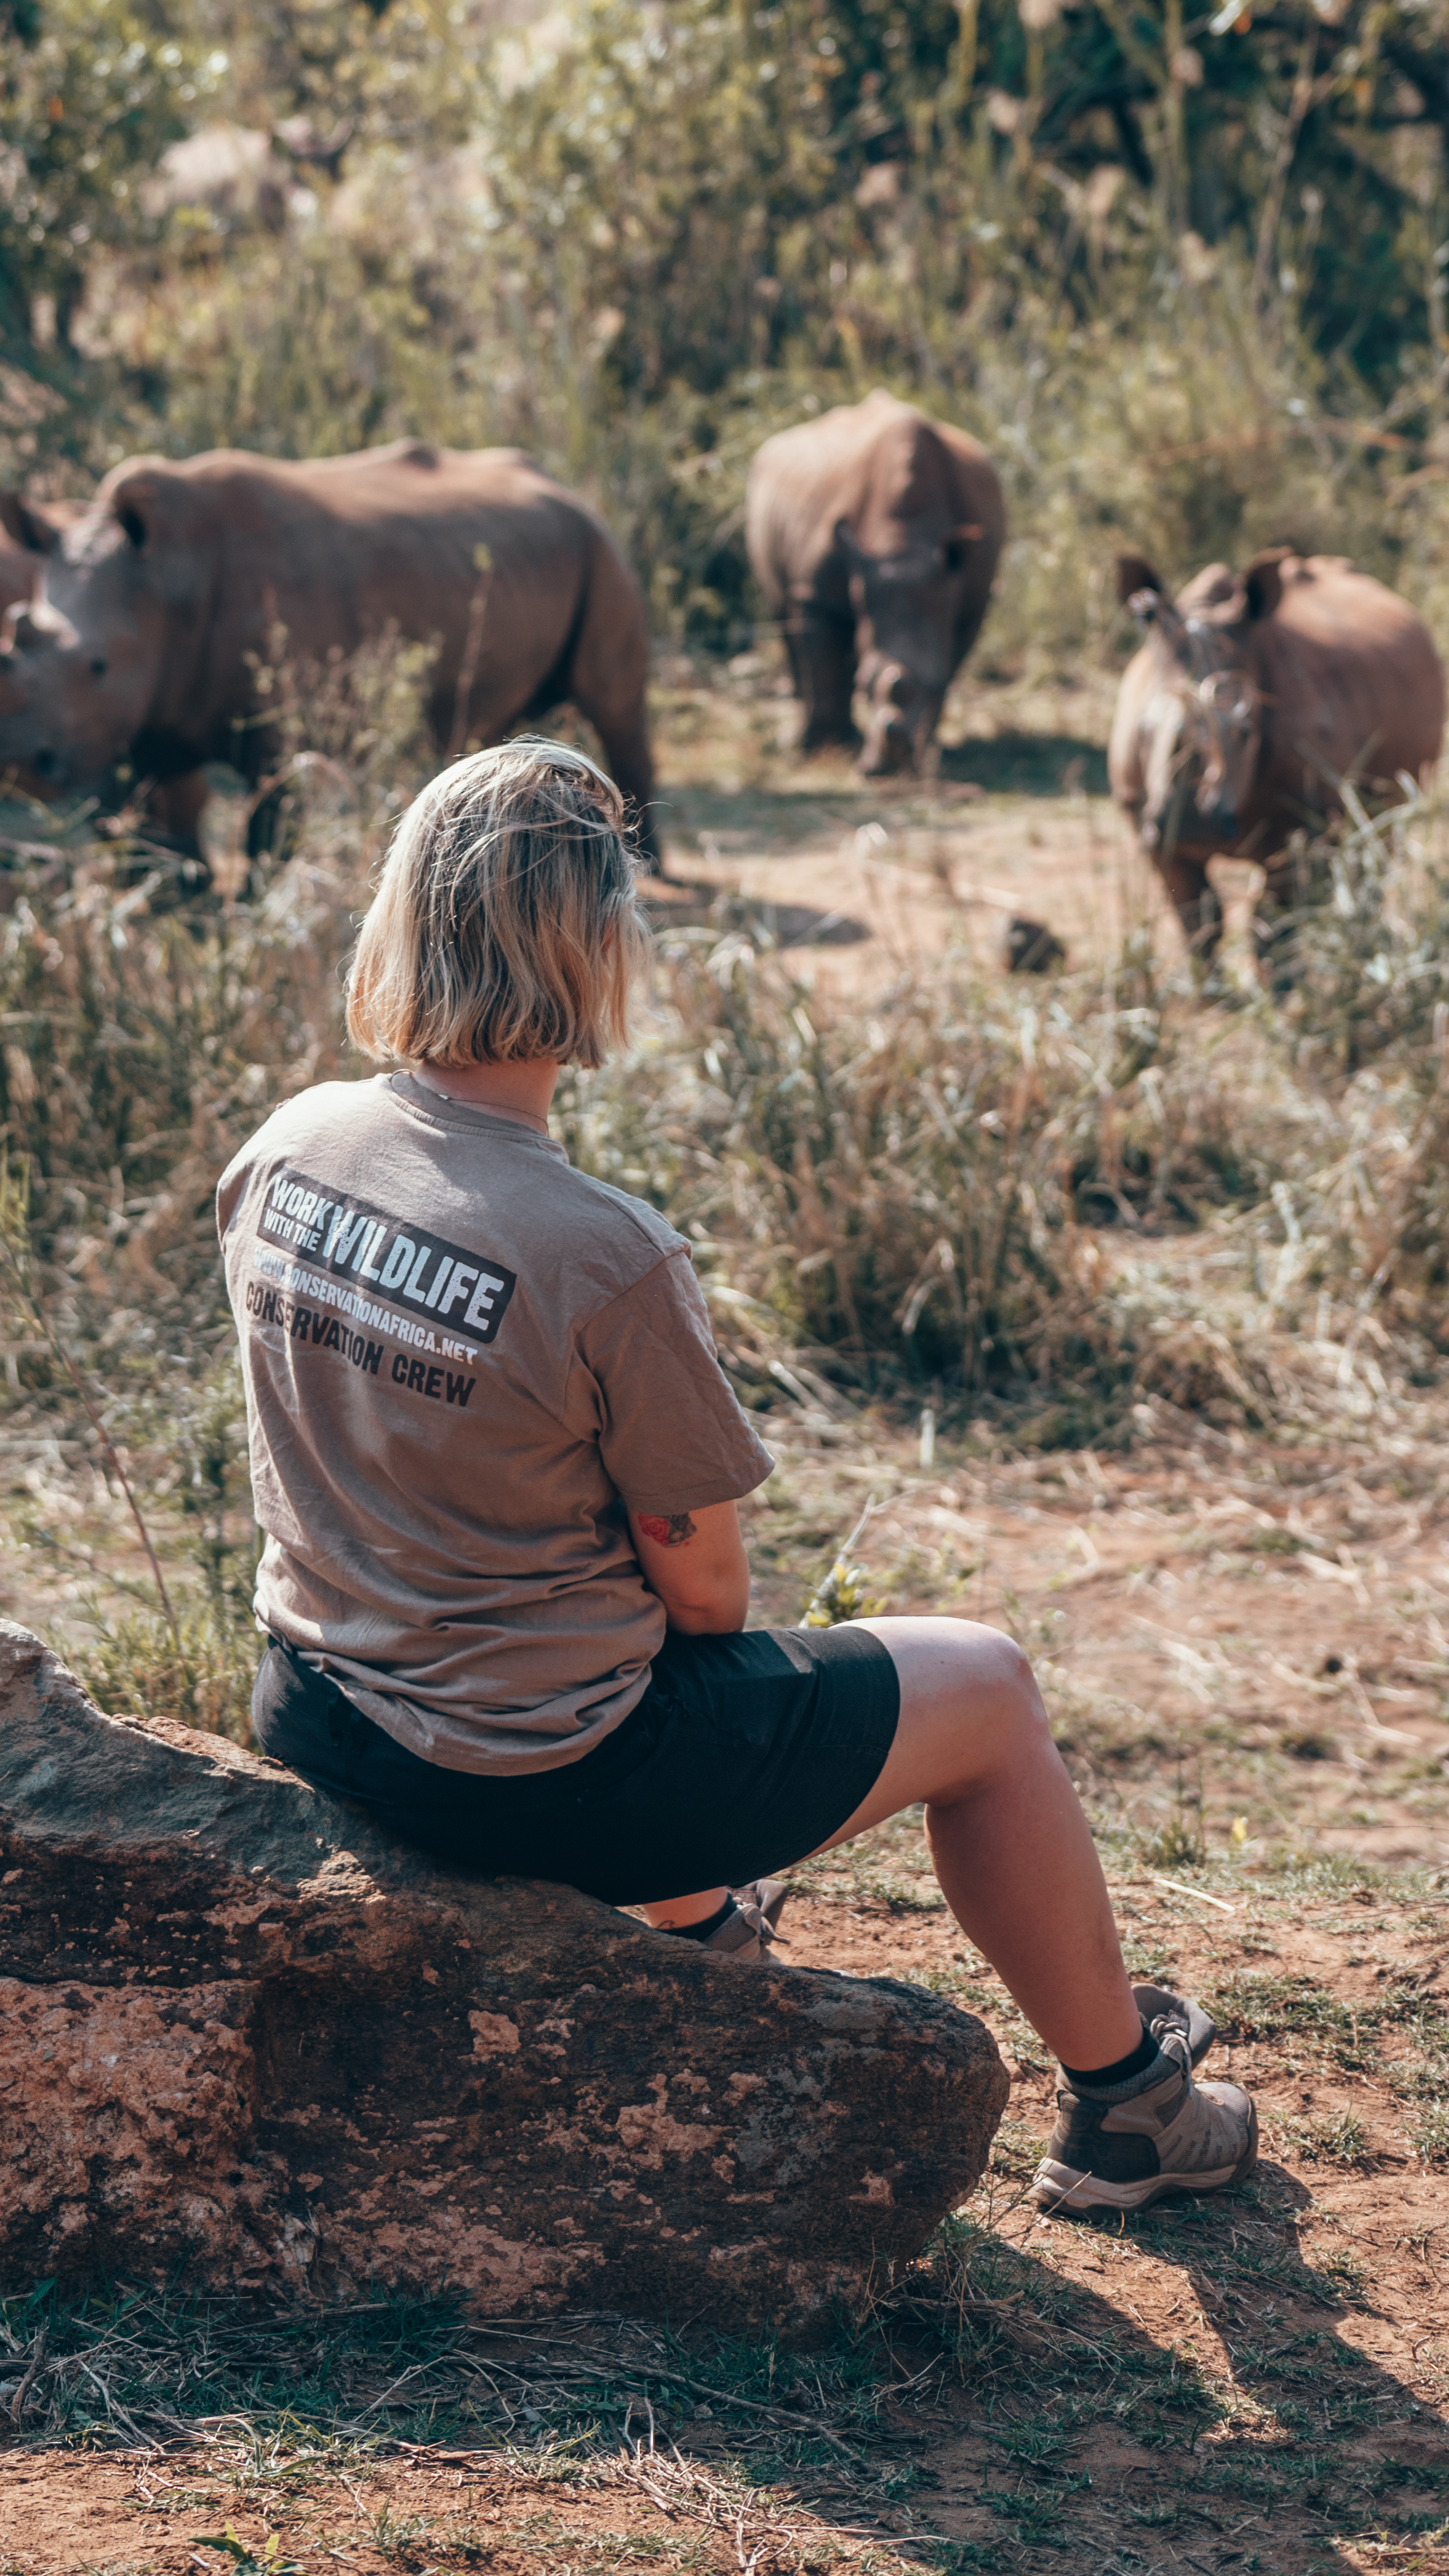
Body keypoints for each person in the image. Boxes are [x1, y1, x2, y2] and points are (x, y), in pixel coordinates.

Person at [216, 738, 1256, 2220]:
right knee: (991, 1689)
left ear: (402, 916)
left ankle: (707, 1937)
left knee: (601, 1639)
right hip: (537, 1779)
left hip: (322, 1710)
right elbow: (703, 1599)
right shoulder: (602, 1251)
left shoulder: (287, 1149)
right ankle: (1133, 2109)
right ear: (596, 949)